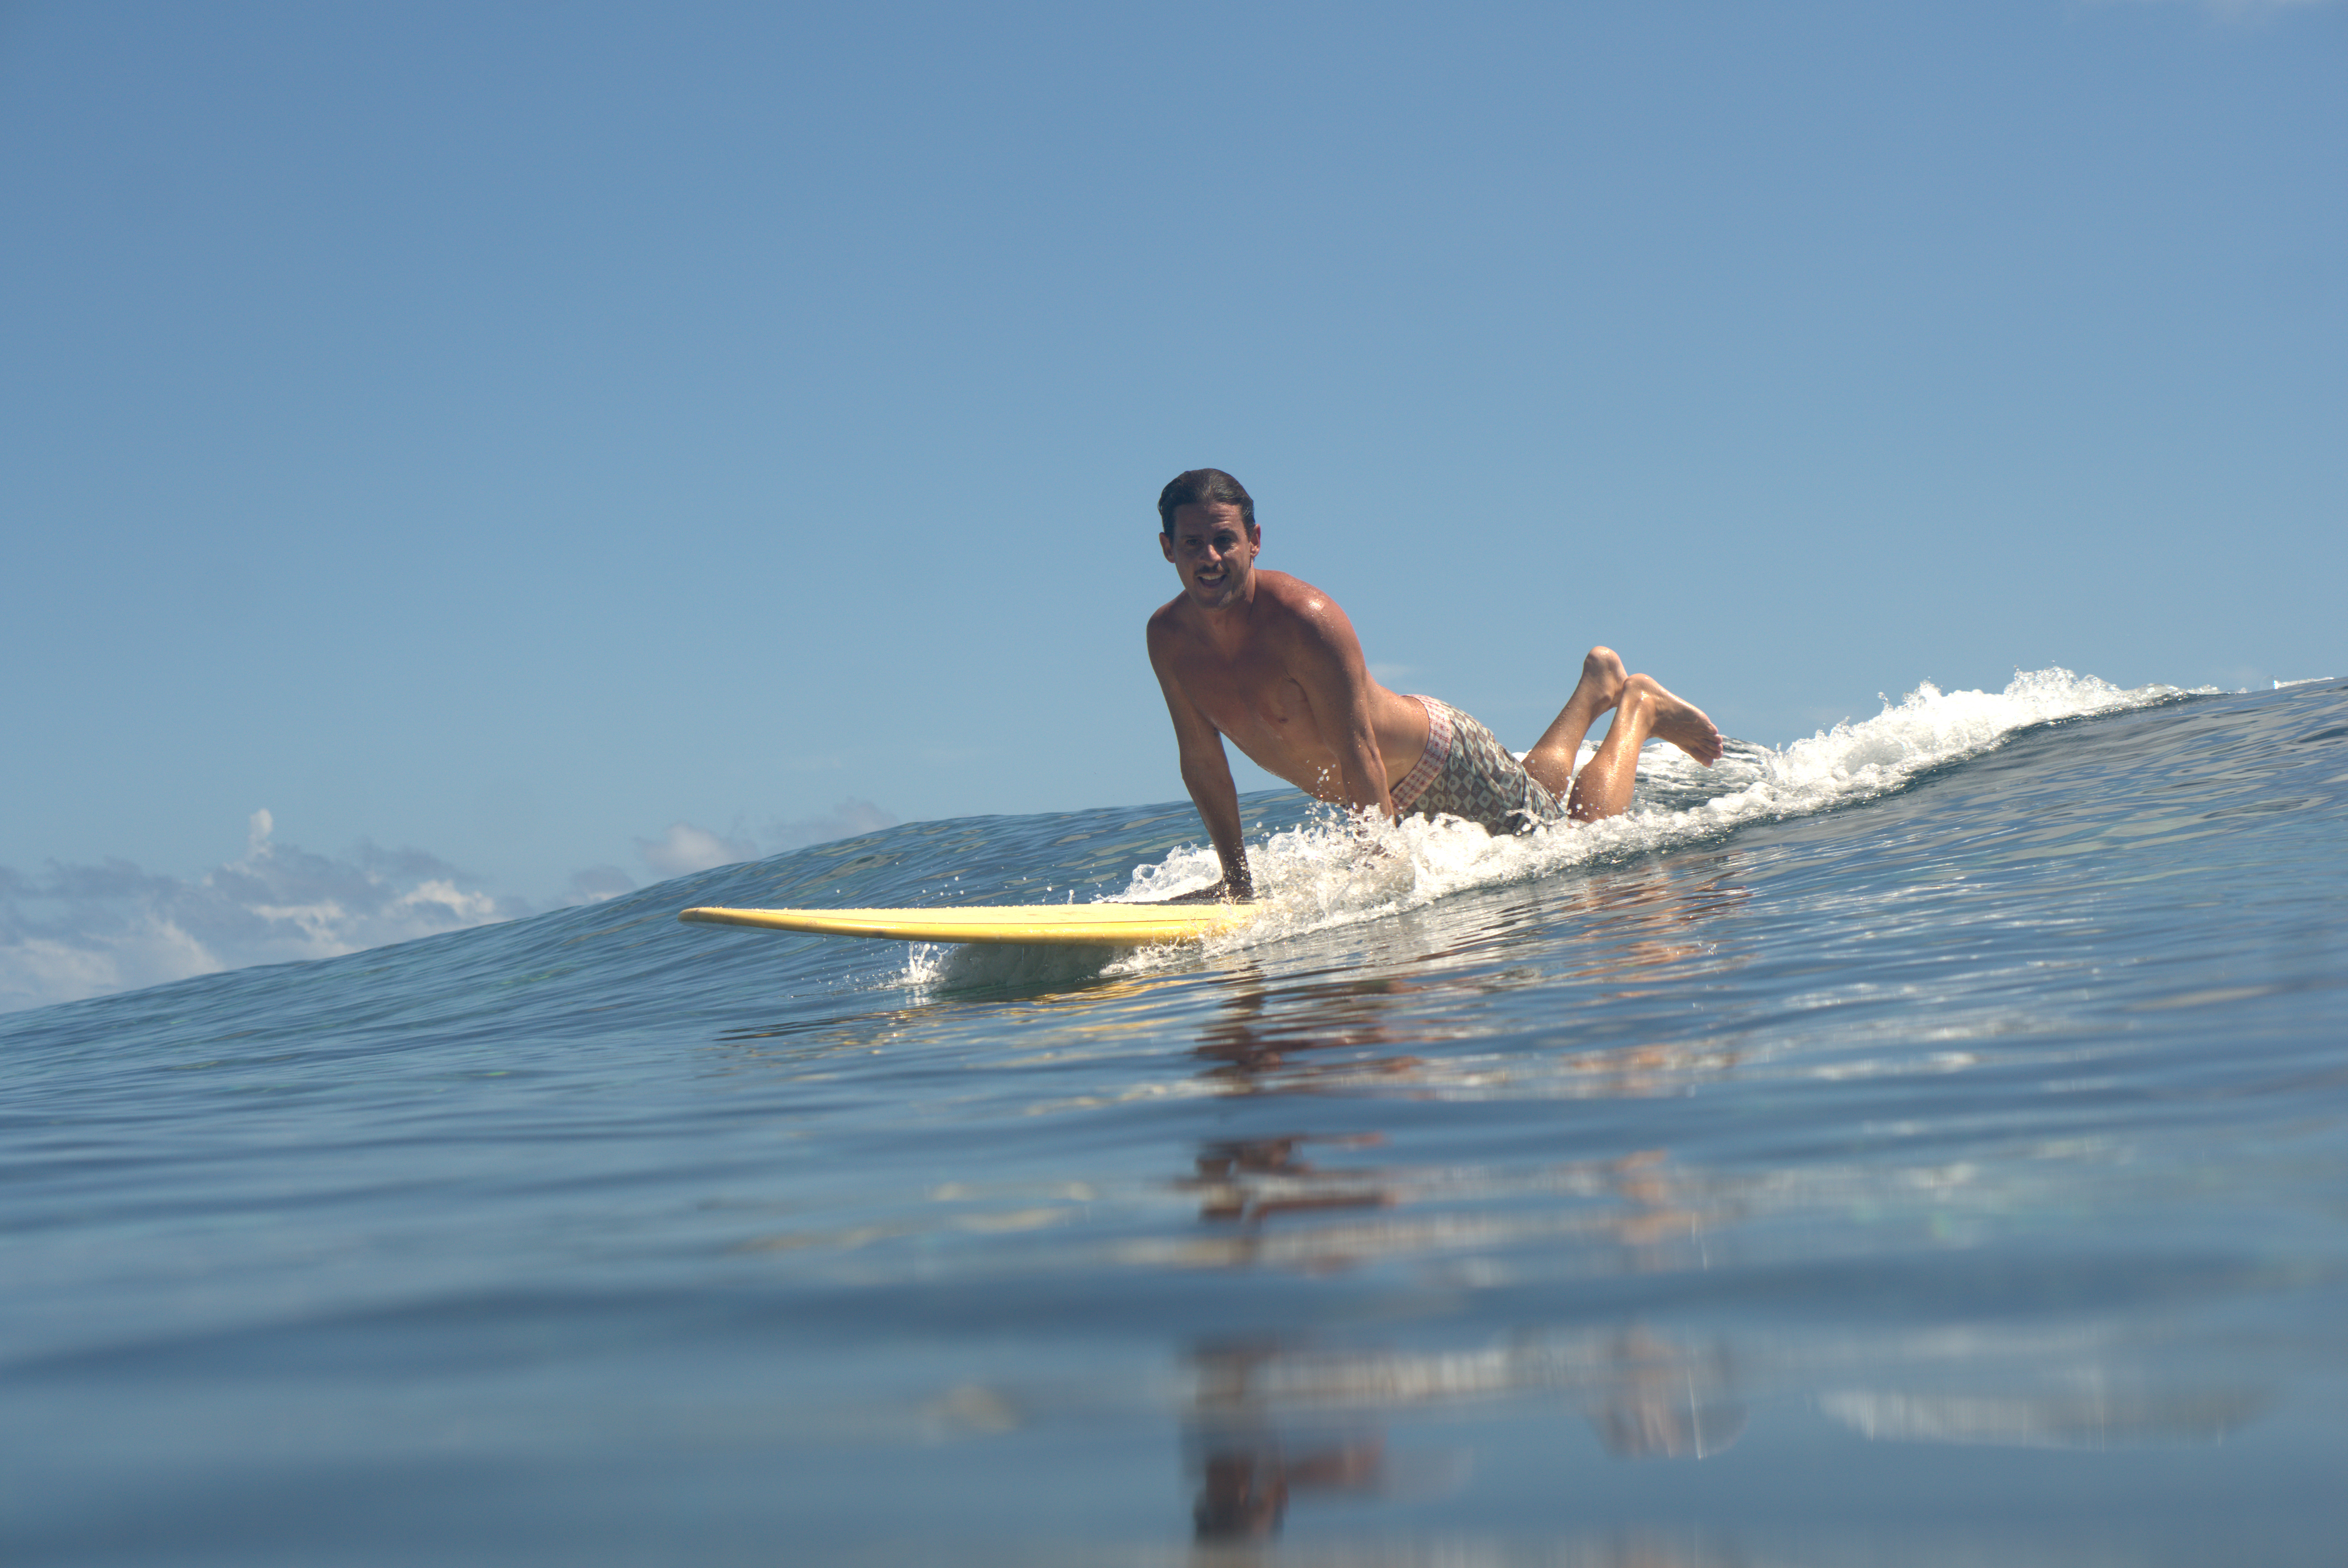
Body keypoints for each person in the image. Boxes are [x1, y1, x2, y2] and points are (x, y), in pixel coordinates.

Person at [1147, 468, 1724, 901]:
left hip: (1443, 765)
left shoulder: (1304, 620)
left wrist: (1378, 874)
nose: (1211, 557)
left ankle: (1638, 709)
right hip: (1383, 794)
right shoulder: (1169, 641)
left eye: (1225, 539)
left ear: (1255, 541)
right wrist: (1236, 882)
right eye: (1193, 544)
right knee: (1537, 810)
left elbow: (1358, 748)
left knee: (1574, 850)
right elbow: (1202, 761)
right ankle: (1594, 688)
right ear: (1168, 548)